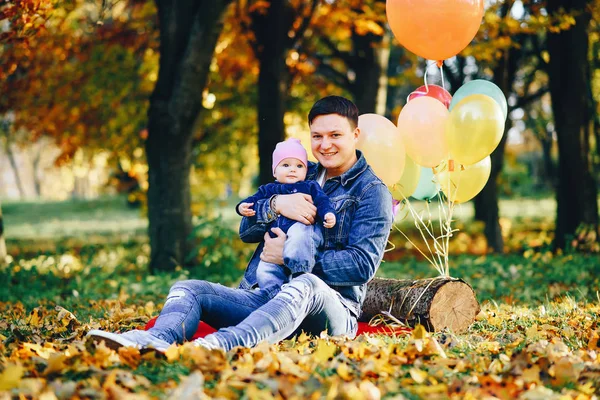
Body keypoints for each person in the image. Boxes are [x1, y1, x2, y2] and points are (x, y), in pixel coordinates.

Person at [87, 96, 393, 352]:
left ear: (354, 135)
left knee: (305, 283)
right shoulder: (300, 172)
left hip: (329, 309)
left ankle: (220, 345)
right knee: (188, 288)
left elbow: (361, 266)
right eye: (317, 136)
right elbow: (246, 231)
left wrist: (289, 256)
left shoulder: (371, 191)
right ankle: (154, 340)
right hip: (267, 296)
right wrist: (275, 205)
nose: (325, 145)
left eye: (335, 135)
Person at [237, 137, 336, 298]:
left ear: (306, 170)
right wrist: (242, 207)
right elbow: (253, 201)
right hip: (275, 238)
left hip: (303, 228)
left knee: (299, 236)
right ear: (274, 171)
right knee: (264, 270)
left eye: (299, 166)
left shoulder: (310, 186)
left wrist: (328, 214)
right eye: (285, 165)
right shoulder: (269, 189)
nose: (293, 169)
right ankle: (272, 295)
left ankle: (300, 277)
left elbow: (322, 201)